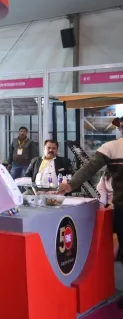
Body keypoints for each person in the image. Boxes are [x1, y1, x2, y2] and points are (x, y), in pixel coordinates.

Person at [58, 118, 122, 308]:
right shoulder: (111, 148)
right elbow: (88, 169)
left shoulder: (111, 147)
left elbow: (89, 169)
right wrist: (71, 184)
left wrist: (70, 185)